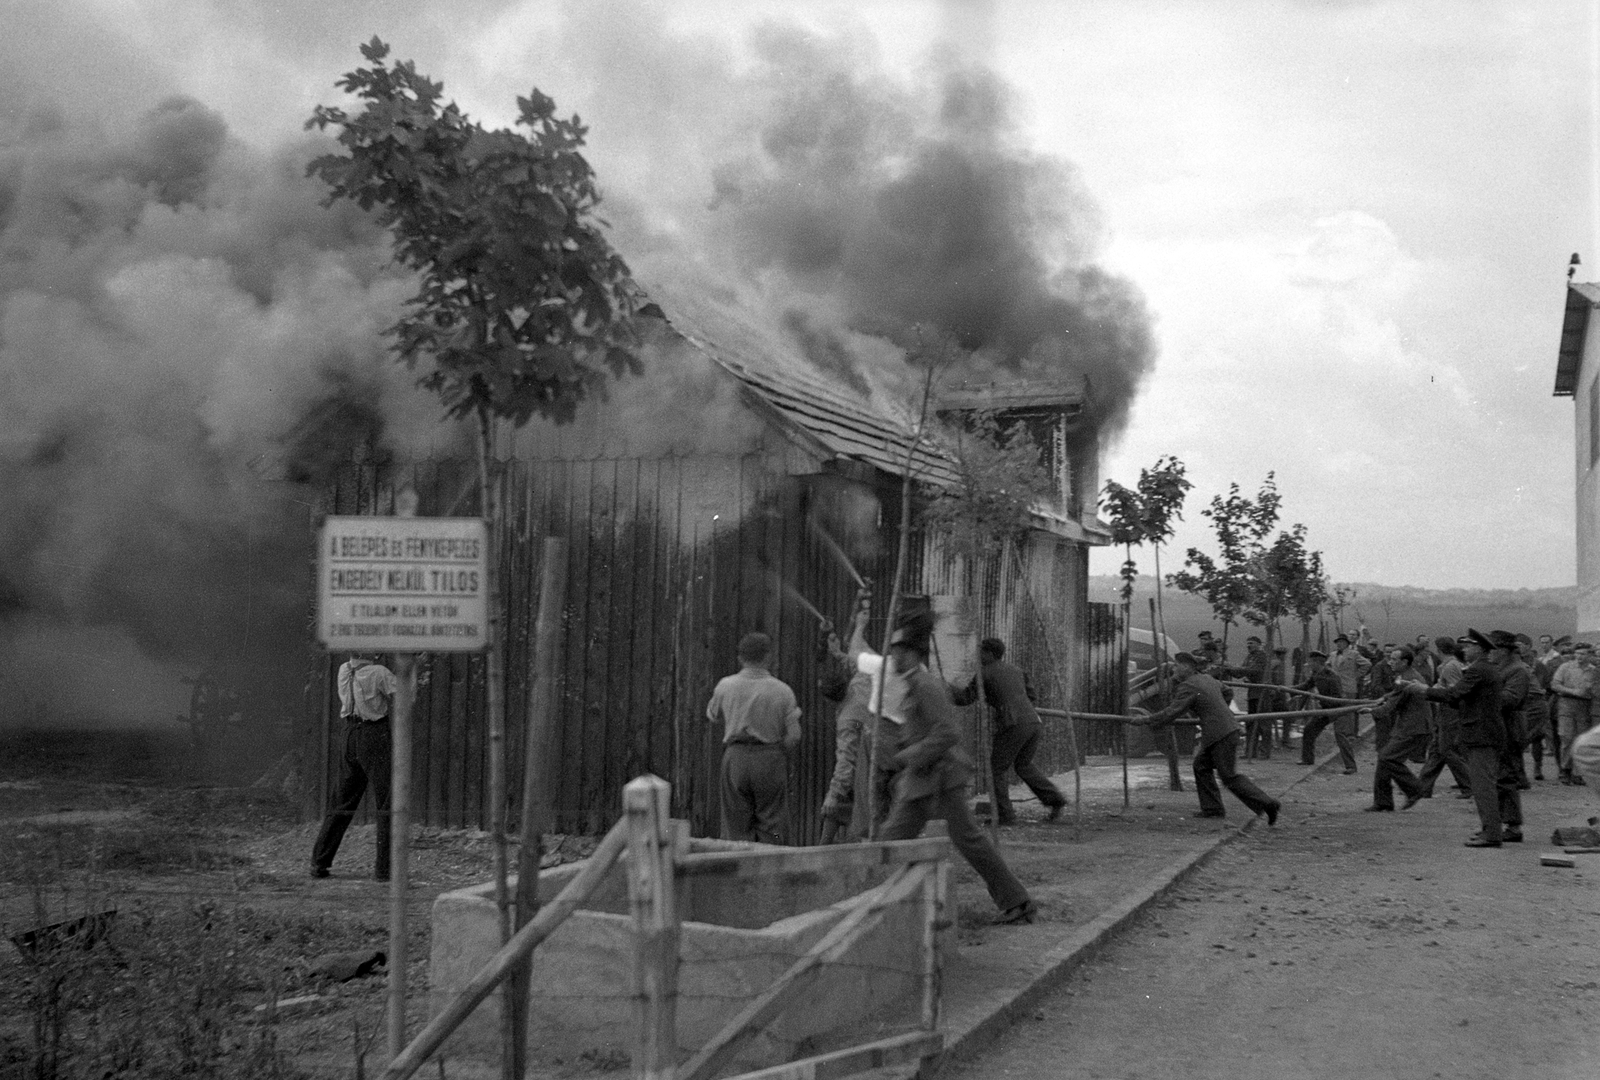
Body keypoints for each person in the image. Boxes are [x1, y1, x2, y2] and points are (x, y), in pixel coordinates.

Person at [877, 609, 1037, 924]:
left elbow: (948, 733)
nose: (892, 656)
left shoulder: (925, 685)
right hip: (923, 779)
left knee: (968, 840)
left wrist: (910, 755)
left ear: (911, 654)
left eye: (897, 651)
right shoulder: (915, 683)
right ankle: (880, 904)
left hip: (943, 776)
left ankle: (1017, 901)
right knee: (891, 838)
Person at [1139, 652, 1280, 823]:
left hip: (1220, 735)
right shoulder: (1207, 679)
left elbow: (1172, 712)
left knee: (1229, 776)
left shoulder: (1188, 686)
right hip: (1223, 731)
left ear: (1186, 668)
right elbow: (1228, 693)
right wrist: (1217, 710)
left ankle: (1268, 803)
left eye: (1176, 666)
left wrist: (1146, 720)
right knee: (1201, 766)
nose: (1174, 670)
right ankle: (1212, 809)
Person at [950, 638, 1066, 825]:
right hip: (1033, 722)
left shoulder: (984, 673)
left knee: (996, 769)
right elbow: (1032, 696)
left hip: (1013, 725)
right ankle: (1056, 800)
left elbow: (965, 698)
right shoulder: (1017, 670)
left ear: (990, 654)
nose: (977, 655)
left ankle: (1005, 815)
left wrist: (946, 688)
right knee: (1023, 765)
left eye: (980, 651)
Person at [1425, 630, 1521, 847]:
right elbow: (1462, 700)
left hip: (1483, 735)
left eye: (1468, 646)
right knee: (1483, 784)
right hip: (1484, 734)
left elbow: (1454, 695)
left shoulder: (1478, 669)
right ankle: (1490, 829)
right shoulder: (1486, 669)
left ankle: (1492, 834)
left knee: (1483, 786)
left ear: (1480, 648)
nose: (1464, 650)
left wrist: (1424, 690)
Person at [310, 653, 400, 881]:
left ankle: (319, 863)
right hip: (374, 736)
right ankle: (384, 871)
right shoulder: (379, 673)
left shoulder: (343, 670)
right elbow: (405, 696)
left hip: (349, 735)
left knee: (341, 800)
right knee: (387, 801)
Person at [708, 632, 801, 844]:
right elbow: (794, 736)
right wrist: (776, 753)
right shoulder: (782, 691)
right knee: (773, 826)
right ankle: (772, 872)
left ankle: (737, 872)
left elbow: (713, 716)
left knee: (735, 827)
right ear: (769, 657)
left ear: (740, 658)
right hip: (769, 758)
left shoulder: (725, 686)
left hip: (736, 757)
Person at [818, 604, 872, 844]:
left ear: (830, 700)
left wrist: (832, 794)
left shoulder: (847, 721)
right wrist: (838, 653)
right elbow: (855, 664)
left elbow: (846, 761)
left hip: (866, 769)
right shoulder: (859, 685)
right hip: (875, 757)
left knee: (841, 810)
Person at [1366, 646, 1429, 812]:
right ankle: (1383, 802)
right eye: (1390, 658)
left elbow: (1391, 706)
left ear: (1405, 662)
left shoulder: (1408, 679)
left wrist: (1370, 711)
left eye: (1394, 659)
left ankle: (1415, 789)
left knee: (1387, 757)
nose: (1390, 662)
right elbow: (1394, 696)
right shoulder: (1407, 676)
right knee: (1384, 758)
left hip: (1414, 727)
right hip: (1407, 726)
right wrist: (1383, 698)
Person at [1415, 636, 1473, 799]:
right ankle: (1422, 788)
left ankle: (1469, 785)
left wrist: (1431, 690)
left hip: (1451, 712)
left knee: (1447, 750)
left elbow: (1455, 693)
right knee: (1436, 750)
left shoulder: (1450, 667)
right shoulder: (1449, 665)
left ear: (1439, 650)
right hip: (1445, 711)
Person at [1295, 650, 1357, 773]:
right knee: (1309, 729)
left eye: (1310, 662)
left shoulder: (1331, 676)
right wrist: (1287, 689)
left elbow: (1337, 697)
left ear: (1317, 662)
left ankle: (1351, 767)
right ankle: (1307, 759)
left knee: (1340, 736)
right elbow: (1305, 686)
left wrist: (1319, 700)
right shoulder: (1316, 674)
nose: (1308, 664)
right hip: (1326, 709)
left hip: (1339, 710)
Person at [1549, 641, 1593, 786]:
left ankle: (1578, 773)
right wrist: (1573, 691)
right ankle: (1565, 769)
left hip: (1584, 706)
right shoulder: (1565, 667)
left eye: (1583, 654)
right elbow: (1555, 685)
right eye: (1578, 653)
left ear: (1589, 655)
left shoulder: (1593, 670)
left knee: (1581, 740)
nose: (1580, 656)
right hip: (1566, 704)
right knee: (1566, 737)